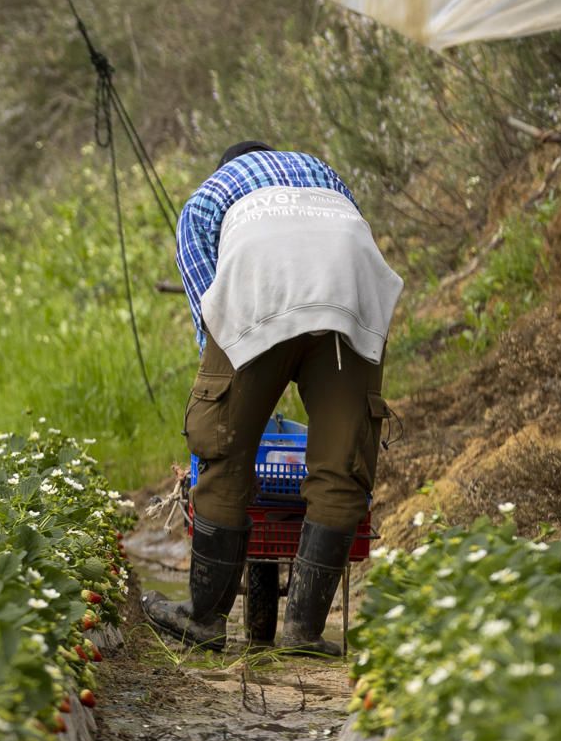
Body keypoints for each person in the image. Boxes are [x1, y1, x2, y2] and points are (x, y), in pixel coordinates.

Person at [143, 142, 402, 656]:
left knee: (222, 445)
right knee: (341, 461)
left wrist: (234, 382)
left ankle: (204, 619)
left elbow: (208, 306)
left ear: (227, 166)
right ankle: (304, 632)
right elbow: (345, 241)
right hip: (346, 285)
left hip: (259, 278)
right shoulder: (319, 171)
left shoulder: (209, 196)